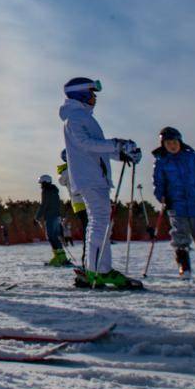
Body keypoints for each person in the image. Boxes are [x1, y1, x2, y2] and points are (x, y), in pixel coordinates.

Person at [60, 77, 143, 290]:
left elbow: (95, 150)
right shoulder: (75, 118)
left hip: (94, 176)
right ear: (81, 94)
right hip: (90, 178)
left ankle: (95, 268)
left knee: (100, 222)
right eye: (92, 93)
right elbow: (86, 144)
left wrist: (120, 152)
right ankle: (99, 270)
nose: (95, 98)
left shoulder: (82, 117)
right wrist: (117, 145)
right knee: (100, 222)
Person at [151, 127, 195, 279]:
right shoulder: (161, 162)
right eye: (168, 143)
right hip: (176, 205)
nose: (172, 145)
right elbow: (158, 183)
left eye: (175, 142)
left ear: (180, 142)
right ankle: (184, 267)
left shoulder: (192, 158)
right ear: (163, 144)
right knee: (180, 234)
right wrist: (162, 196)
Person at [35, 175, 69, 267]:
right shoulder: (55, 190)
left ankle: (59, 259)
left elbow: (44, 205)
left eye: (41, 183)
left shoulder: (46, 191)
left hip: (50, 217)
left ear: (45, 182)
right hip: (57, 217)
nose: (41, 185)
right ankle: (61, 258)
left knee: (51, 237)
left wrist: (37, 217)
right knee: (55, 237)